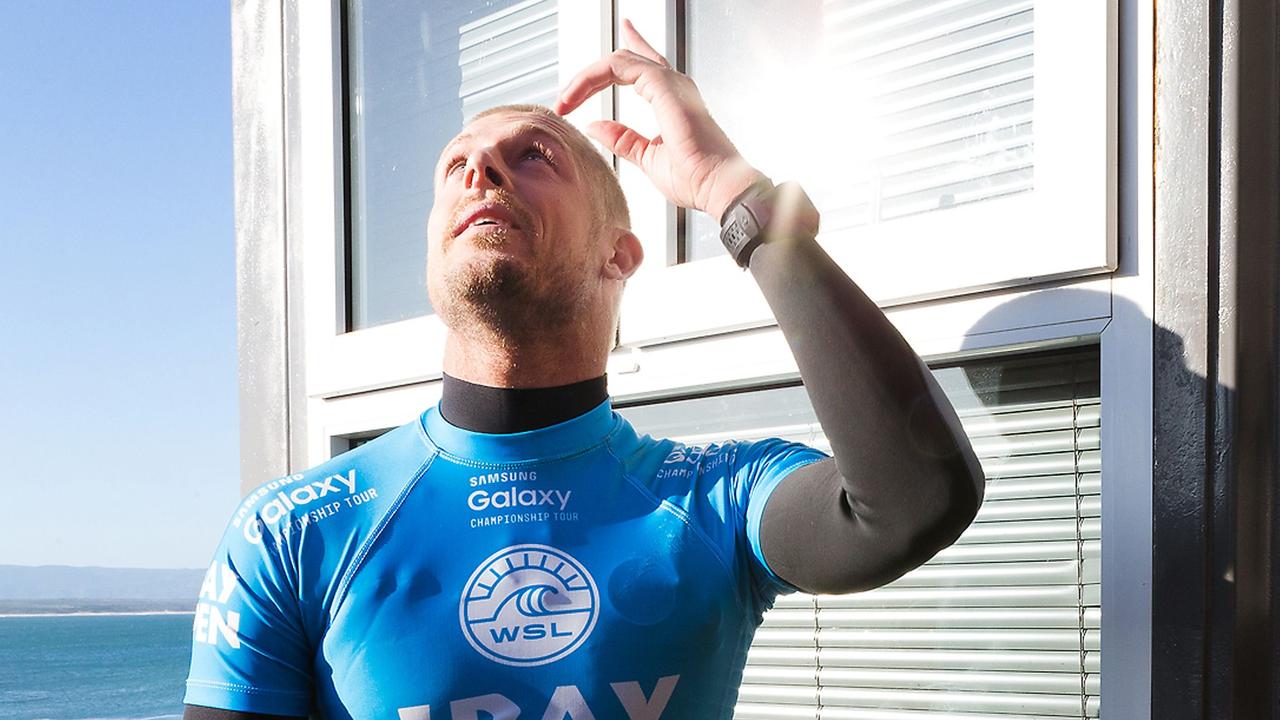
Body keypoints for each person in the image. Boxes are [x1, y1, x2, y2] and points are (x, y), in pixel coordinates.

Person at [183, 21, 984, 720]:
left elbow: (915, 501)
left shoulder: (711, 499)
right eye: (456, 165)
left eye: (531, 156)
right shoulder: (291, 532)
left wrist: (738, 197)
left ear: (619, 252)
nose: (480, 172)